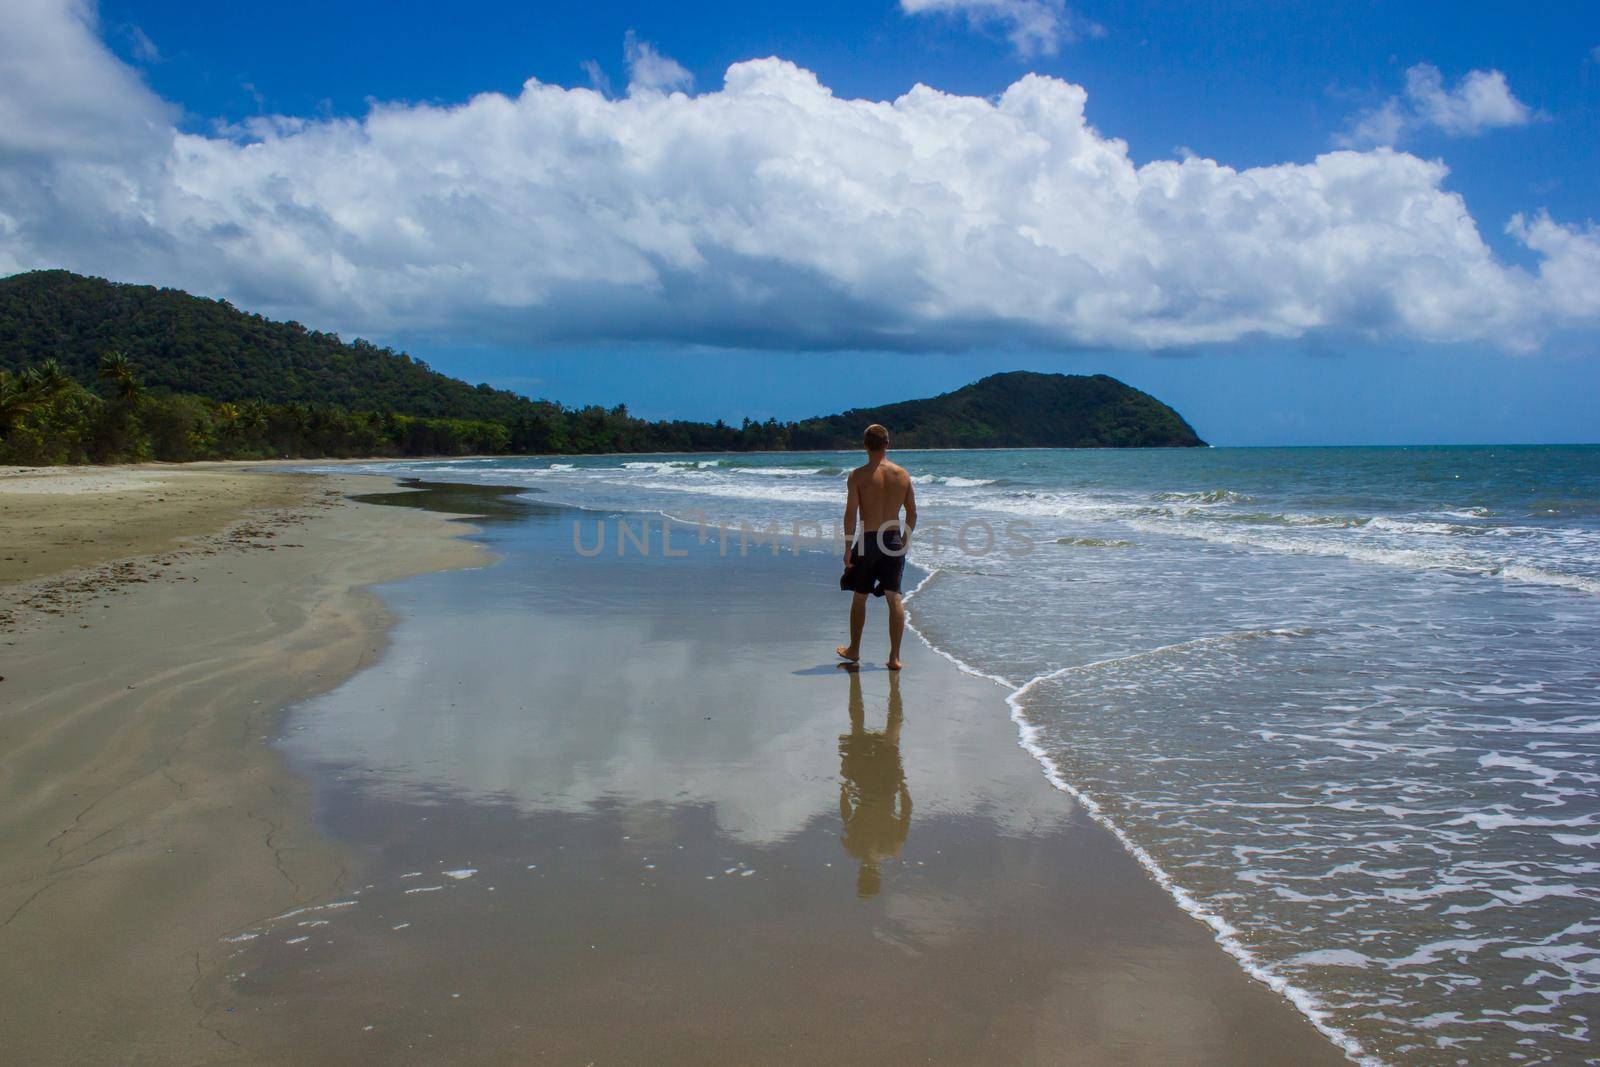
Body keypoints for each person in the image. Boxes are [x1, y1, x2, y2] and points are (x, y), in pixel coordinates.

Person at [836, 423, 917, 670]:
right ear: (887, 444)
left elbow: (850, 515)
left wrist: (848, 547)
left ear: (865, 445)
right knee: (894, 597)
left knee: (860, 596)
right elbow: (912, 513)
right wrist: (905, 540)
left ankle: (854, 650)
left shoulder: (857, 475)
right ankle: (894, 657)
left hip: (869, 540)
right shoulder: (902, 475)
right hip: (892, 539)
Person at [838, 670, 910, 899]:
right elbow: (905, 813)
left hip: (877, 786)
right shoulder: (885, 847)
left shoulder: (875, 848)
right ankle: (893, 688)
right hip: (875, 785)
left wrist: (902, 785)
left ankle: (891, 689)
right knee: (866, 730)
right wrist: (902, 785)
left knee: (867, 730)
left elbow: (846, 815)